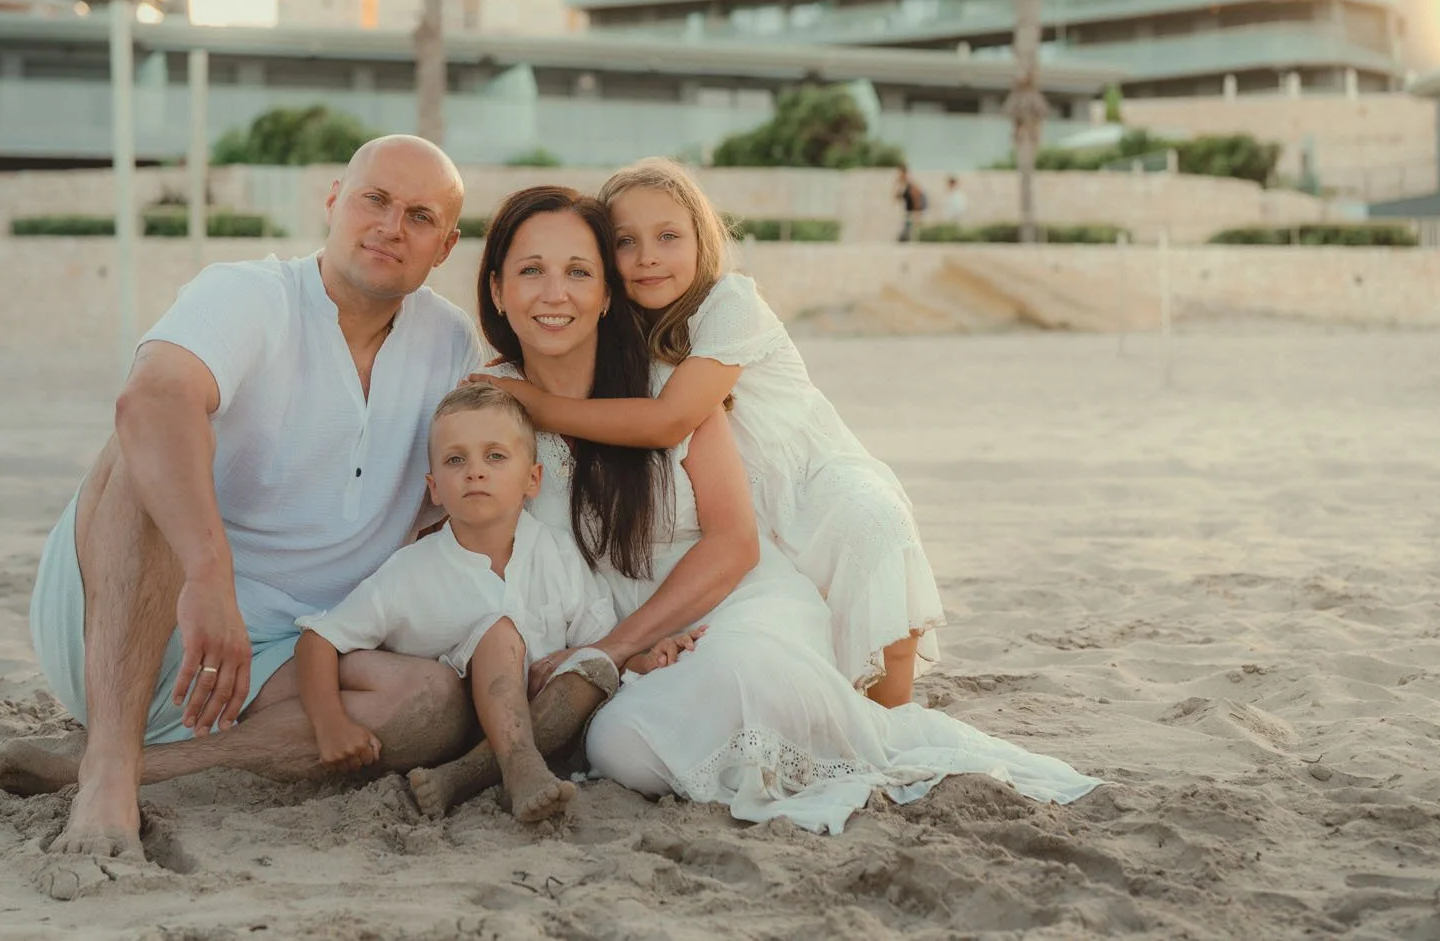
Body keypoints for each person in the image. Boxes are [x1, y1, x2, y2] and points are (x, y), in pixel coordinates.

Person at [447, 184, 1097, 833]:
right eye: (532, 270)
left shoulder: (670, 380)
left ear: (605, 292)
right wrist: (621, 653)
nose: (554, 292)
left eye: (577, 271)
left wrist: (615, 646)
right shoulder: (487, 409)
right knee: (622, 747)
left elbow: (734, 541)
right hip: (641, 650)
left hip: (737, 600)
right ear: (498, 288)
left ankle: (877, 718)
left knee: (756, 656)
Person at [0, 136, 488, 877]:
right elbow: (152, 396)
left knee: (433, 703)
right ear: (334, 200)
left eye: (419, 215)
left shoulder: (449, 344)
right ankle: (109, 768)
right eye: (375, 199)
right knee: (147, 441)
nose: (390, 225)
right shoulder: (252, 293)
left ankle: (128, 765)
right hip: (134, 615)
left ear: (445, 244)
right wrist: (207, 575)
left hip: (276, 665)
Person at [482, 160, 941, 705]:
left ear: (703, 241)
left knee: (873, 564)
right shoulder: (630, 328)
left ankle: (894, 713)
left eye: (669, 236)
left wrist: (539, 407)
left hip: (809, 481)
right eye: (627, 242)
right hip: (748, 493)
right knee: (803, 618)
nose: (648, 256)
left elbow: (669, 421)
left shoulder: (731, 304)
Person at [296, 382, 647, 823]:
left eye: (495, 456)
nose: (475, 471)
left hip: (548, 730)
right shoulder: (411, 571)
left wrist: (648, 655)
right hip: (460, 730)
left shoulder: (557, 553)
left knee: (593, 669)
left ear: (532, 479)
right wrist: (330, 722)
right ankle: (513, 767)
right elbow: (317, 640)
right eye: (455, 459)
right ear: (434, 488)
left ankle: (466, 777)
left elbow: (599, 644)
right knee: (499, 632)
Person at [894, 165, 929, 241]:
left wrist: (917, 212)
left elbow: (916, 197)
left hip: (913, 209)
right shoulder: (902, 184)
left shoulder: (910, 184)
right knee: (907, 225)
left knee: (912, 226)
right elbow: (897, 196)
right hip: (909, 209)